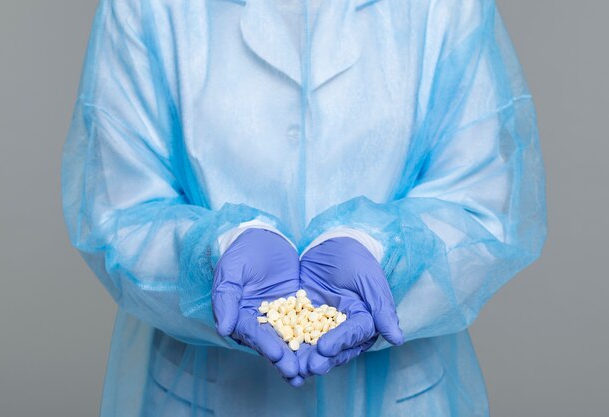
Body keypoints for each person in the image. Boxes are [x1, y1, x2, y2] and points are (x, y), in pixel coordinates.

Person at [61, 0, 547, 416]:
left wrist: (380, 249)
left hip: (402, 394)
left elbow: (482, 203)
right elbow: (117, 212)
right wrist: (217, 249)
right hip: (203, 395)